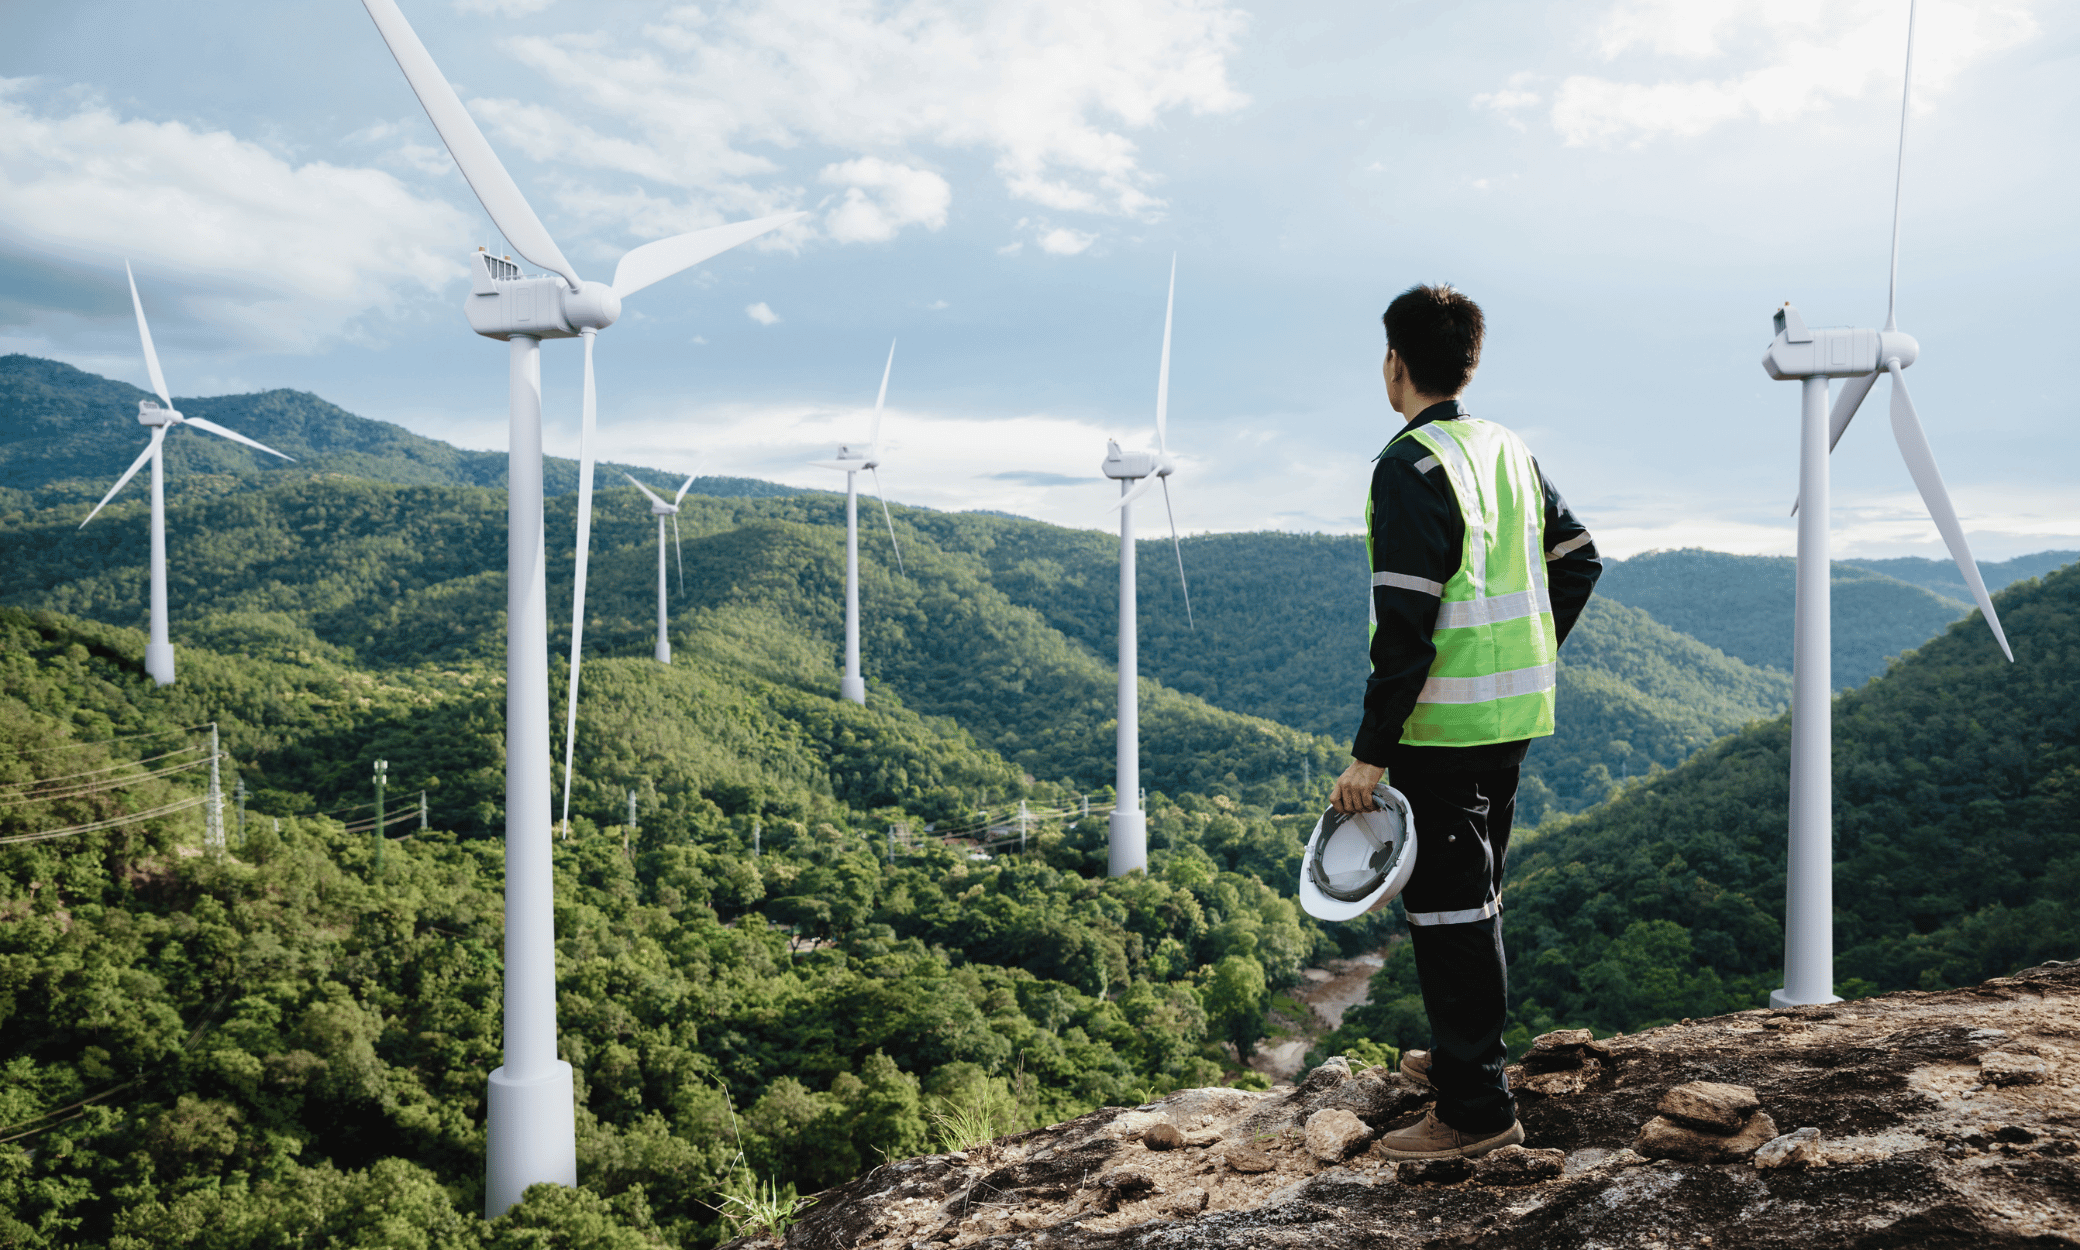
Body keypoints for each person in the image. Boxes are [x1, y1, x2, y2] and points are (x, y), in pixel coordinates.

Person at [1330, 283, 1601, 1160]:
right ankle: (1460, 1056)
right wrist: (1527, 650)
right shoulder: (1508, 450)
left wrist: (1369, 756)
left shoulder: (1407, 468)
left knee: (1450, 914)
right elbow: (1580, 560)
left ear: (1395, 365)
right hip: (1511, 718)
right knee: (1472, 898)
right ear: (1471, 361)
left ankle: (1476, 1113)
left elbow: (1404, 630)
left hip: (1441, 730)